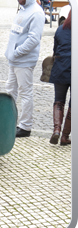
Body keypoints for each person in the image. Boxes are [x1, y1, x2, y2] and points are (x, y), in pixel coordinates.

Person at [5, 0, 45, 137]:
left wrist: (16, 52)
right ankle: (8, 121)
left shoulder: (36, 13)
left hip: (24, 61)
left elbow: (34, 39)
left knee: (25, 92)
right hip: (14, 59)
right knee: (10, 91)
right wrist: (10, 52)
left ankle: (25, 126)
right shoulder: (22, 10)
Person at [49, 10, 71, 145]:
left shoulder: (60, 29)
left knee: (58, 101)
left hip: (60, 68)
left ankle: (56, 130)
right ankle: (64, 136)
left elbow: (55, 50)